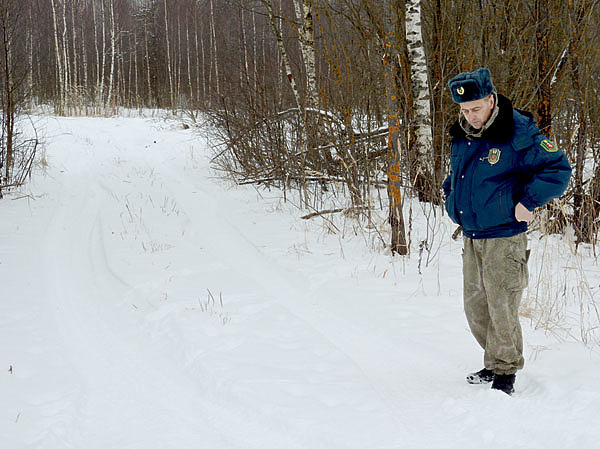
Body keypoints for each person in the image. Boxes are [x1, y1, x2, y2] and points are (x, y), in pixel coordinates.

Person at [442, 68, 571, 395]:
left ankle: (504, 371)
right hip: (472, 235)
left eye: (475, 108)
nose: (469, 116)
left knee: (502, 304)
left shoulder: (519, 131)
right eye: (464, 110)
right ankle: (493, 359)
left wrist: (528, 201)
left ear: (490, 99)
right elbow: (456, 176)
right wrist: (451, 197)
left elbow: (557, 170)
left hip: (504, 237)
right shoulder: (462, 134)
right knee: (476, 306)